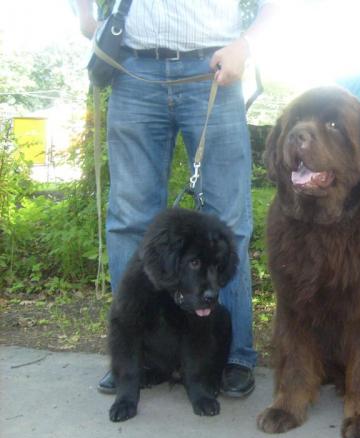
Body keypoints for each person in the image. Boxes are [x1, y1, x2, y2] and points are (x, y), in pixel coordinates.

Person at [76, 0, 281, 398]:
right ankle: (135, 357)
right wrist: (84, 14)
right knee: (128, 222)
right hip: (131, 69)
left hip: (214, 68)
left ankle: (234, 355)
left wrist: (246, 43)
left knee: (229, 224)